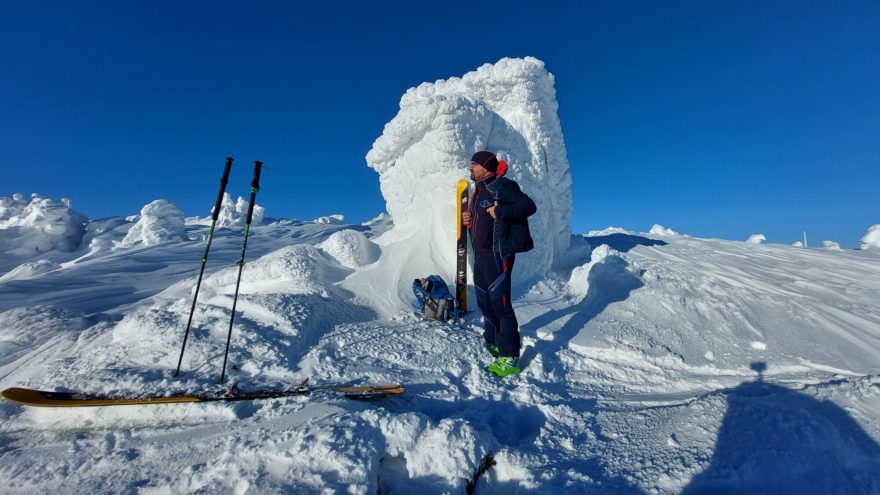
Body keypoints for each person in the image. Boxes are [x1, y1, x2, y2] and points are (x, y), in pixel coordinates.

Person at [461, 151, 537, 377]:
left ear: (486, 166)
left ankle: (510, 357)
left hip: (498, 254)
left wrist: (501, 211)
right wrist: (469, 219)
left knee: (501, 305)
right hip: (481, 256)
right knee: (485, 303)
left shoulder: (502, 185)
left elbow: (528, 206)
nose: (470, 168)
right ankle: (494, 343)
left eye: (474, 164)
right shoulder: (478, 191)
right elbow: (482, 222)